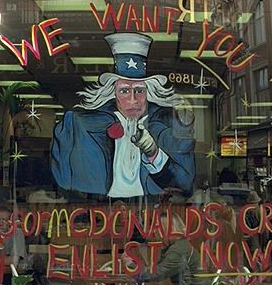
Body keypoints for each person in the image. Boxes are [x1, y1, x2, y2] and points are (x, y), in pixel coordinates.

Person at [51, 32, 196, 200]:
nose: (133, 100)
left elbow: (185, 186)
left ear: (149, 92)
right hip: (99, 217)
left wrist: (153, 153)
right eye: (125, 91)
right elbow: (64, 184)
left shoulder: (170, 128)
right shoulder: (77, 126)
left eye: (140, 91)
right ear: (113, 92)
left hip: (151, 217)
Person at [136, 213, 204, 285]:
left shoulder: (177, 251)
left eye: (157, 227)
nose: (153, 231)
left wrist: (131, 266)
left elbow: (156, 274)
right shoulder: (178, 245)